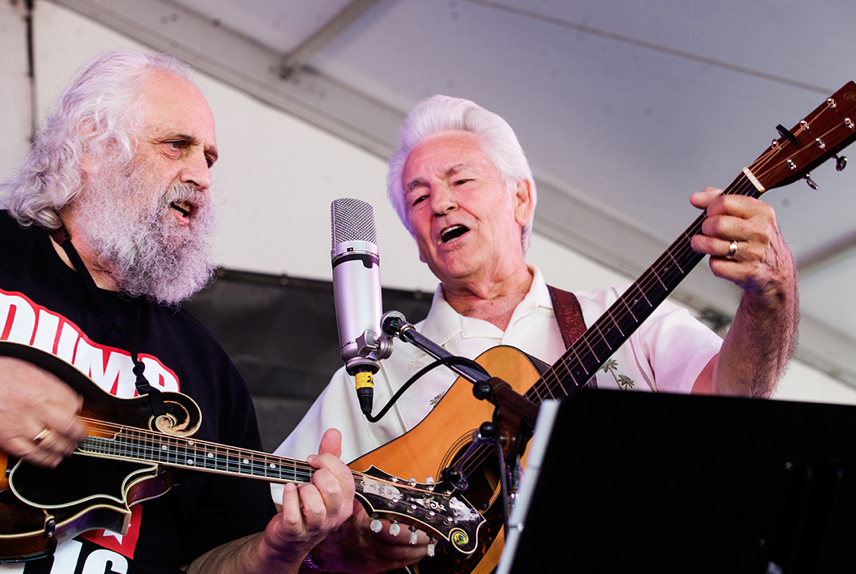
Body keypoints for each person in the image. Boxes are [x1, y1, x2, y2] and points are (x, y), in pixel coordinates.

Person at [272, 94, 800, 573]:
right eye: (419, 198)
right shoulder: (373, 376)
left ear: (521, 199)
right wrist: (334, 549)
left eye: (462, 180)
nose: (440, 204)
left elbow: (737, 403)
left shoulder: (626, 318)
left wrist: (772, 294)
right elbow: (277, 529)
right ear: (415, 239)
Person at [0, 49, 354, 574]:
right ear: (92, 146)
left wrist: (276, 551)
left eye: (208, 158)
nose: (203, 177)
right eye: (176, 145)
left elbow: (206, 562)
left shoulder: (207, 368)